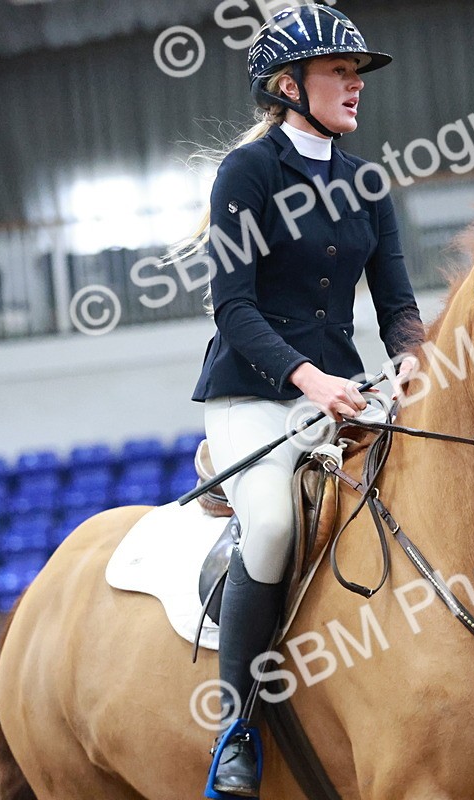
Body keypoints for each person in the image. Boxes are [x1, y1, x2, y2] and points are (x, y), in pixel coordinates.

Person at [181, 5, 423, 796]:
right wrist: (308, 378)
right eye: (339, 71)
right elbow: (233, 308)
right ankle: (236, 731)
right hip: (254, 393)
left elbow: (396, 304)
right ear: (289, 86)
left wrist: (415, 365)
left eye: (357, 73)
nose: (356, 84)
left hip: (345, 396)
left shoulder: (366, 181)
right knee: (275, 524)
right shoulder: (247, 174)